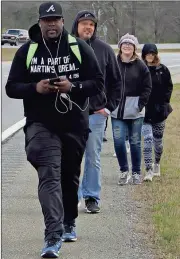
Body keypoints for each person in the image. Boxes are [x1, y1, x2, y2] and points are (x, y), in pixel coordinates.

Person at [5, 2, 104, 258]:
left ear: (62, 22)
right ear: (40, 23)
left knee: (68, 178)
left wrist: (72, 87)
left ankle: (69, 220)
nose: (51, 24)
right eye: (47, 21)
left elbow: (97, 84)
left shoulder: (78, 48)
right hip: (41, 124)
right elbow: (11, 87)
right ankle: (52, 236)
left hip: (74, 124)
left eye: (56, 20)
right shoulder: (27, 51)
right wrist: (35, 89)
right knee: (49, 175)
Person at [71, 11, 122, 213]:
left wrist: (109, 107)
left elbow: (117, 82)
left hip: (95, 114)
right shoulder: (65, 47)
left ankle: (92, 197)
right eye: (84, 23)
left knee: (93, 157)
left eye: (91, 24)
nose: (88, 27)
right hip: (70, 114)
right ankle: (71, 196)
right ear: (76, 25)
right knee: (71, 157)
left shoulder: (104, 50)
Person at [111, 33, 152, 185]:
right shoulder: (114, 63)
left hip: (135, 111)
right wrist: (109, 102)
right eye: (124, 44)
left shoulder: (141, 66)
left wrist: (140, 105)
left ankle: (136, 172)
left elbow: (147, 87)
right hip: (117, 110)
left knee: (135, 142)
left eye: (130, 44)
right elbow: (106, 83)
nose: (127, 46)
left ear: (134, 48)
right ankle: (124, 170)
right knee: (119, 141)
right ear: (120, 46)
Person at [141, 43, 173, 181]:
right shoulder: (140, 69)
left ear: (155, 54)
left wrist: (165, 102)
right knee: (147, 139)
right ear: (143, 55)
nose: (149, 56)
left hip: (160, 110)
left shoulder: (163, 70)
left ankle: (157, 164)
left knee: (158, 141)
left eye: (152, 53)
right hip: (144, 111)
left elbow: (169, 87)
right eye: (147, 53)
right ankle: (148, 170)